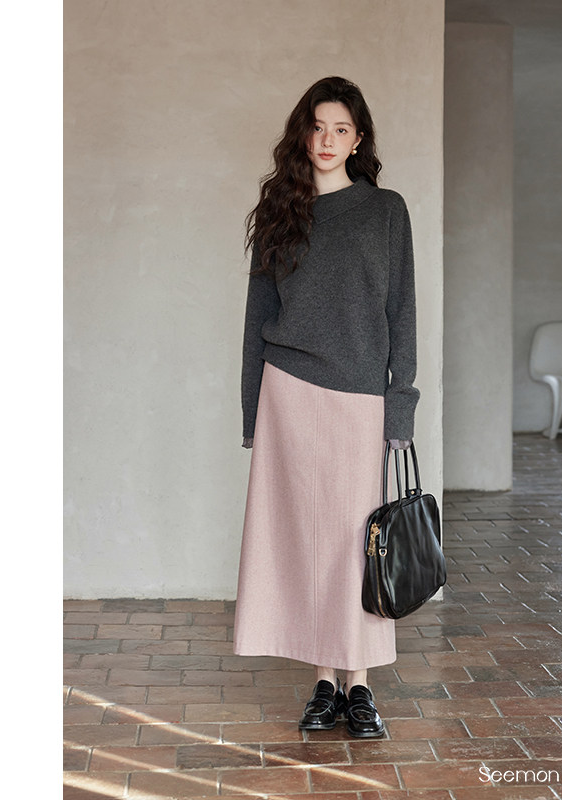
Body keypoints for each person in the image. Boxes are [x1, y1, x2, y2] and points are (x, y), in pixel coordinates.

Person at [233, 76, 419, 739]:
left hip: (359, 396)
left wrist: (401, 406)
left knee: (355, 542)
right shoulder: (280, 210)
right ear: (302, 133)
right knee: (304, 539)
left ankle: (359, 684)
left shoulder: (385, 211)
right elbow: (256, 320)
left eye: (341, 129)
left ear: (358, 139)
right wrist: (252, 413)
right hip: (288, 392)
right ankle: (322, 682)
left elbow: (402, 315)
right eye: (317, 127)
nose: (327, 140)